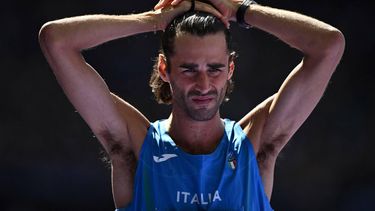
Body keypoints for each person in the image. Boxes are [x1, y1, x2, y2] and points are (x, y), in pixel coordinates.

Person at [38, 0, 345, 210]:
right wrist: (153, 20)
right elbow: (56, 40)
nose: (203, 85)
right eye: (188, 69)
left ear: (230, 70)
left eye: (214, 68)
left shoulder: (255, 146)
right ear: (164, 69)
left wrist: (239, 9)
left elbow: (329, 45)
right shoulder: (135, 147)